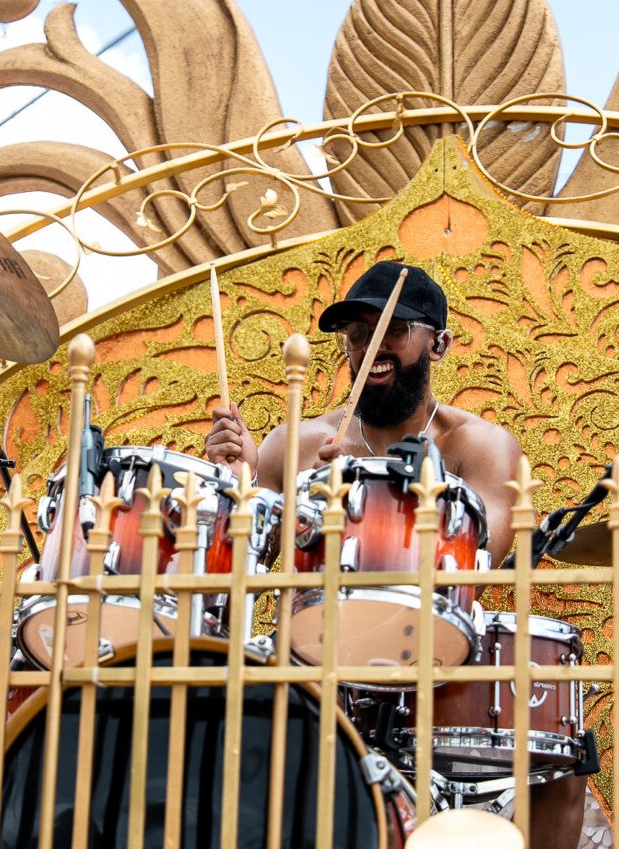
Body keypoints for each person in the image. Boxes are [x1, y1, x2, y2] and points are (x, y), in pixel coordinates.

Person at [205, 261, 589, 847]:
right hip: (312, 654)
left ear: (440, 343)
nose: (371, 346)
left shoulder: (479, 444)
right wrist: (239, 484)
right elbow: (243, 559)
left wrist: (369, 498)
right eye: (358, 334)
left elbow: (483, 553)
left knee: (562, 759)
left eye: (393, 329)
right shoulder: (297, 442)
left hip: (437, 656)